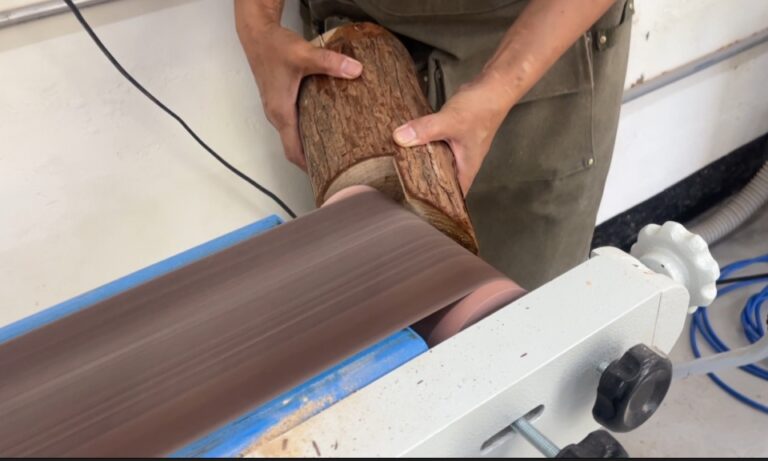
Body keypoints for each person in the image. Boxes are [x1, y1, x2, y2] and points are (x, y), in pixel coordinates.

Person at [235, 0, 633, 289]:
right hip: (350, 49)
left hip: (535, 43)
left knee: (522, 327)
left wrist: (500, 86)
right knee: (382, 314)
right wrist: (257, 28)